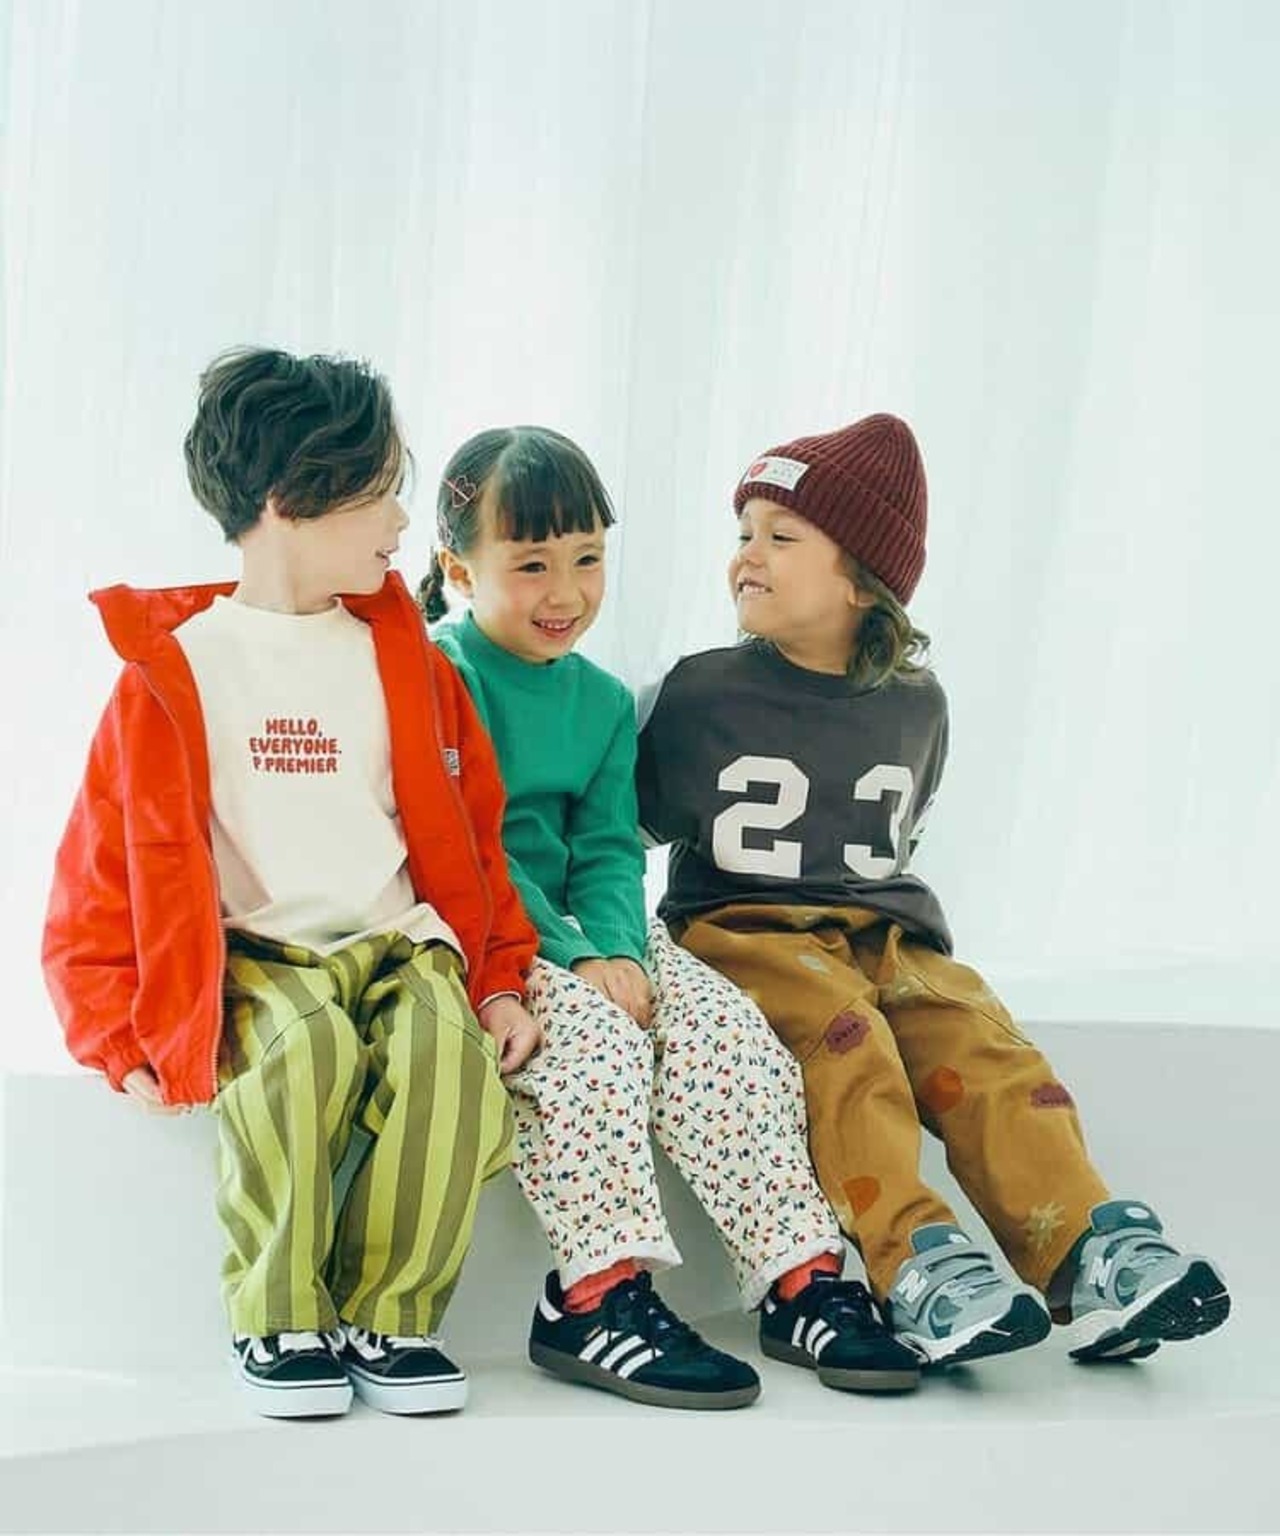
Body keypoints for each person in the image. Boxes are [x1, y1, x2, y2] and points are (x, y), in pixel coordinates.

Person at [636, 412, 1231, 1368]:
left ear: (862, 581)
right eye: (743, 532)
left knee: (981, 1042)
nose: (747, 555)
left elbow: (899, 836)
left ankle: (1086, 1248)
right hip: (741, 928)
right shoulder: (700, 693)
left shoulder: (919, 703)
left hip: (883, 929)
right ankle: (914, 1260)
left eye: (781, 537)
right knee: (849, 1040)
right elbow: (624, 827)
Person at [43, 348, 541, 1418]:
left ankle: (391, 1318)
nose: (400, 521)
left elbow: (475, 840)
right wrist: (113, 1031)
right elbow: (100, 865)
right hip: (265, 954)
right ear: (288, 500)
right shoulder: (176, 668)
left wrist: (499, 978)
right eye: (377, 494)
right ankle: (276, 1313)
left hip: (404, 943)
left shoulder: (409, 660)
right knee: (298, 1053)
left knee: (450, 1063)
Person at [418, 424, 921, 1408]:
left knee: (730, 1035)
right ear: (459, 569)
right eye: (531, 565)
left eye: (587, 560)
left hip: (589, 925)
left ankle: (800, 1277)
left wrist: (619, 948)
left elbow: (610, 845)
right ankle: (593, 1299)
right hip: (487, 928)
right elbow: (468, 850)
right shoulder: (442, 678)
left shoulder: (603, 701)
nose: (566, 593)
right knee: (595, 1046)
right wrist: (578, 959)